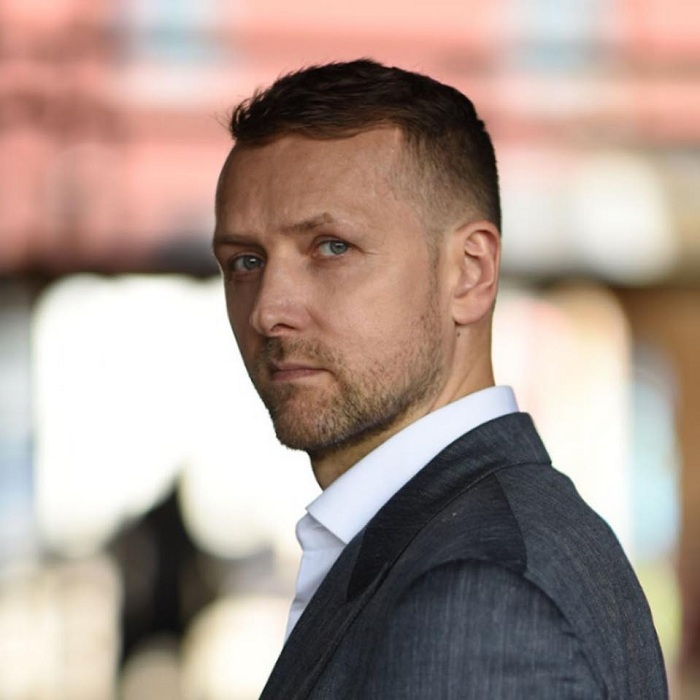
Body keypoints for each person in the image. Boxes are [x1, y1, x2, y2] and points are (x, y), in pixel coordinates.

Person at [212, 59, 667, 699]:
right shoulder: (464, 539)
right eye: (245, 261)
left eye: (332, 247)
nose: (268, 310)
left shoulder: (481, 589)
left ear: (470, 273)